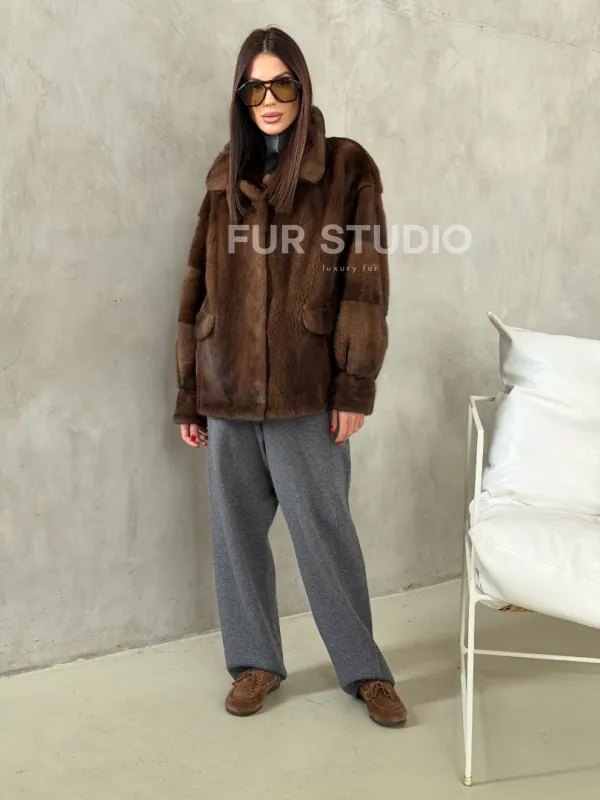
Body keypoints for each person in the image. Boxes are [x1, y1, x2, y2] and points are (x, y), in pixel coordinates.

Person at [173, 25, 407, 727]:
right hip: (226, 388)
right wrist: (190, 395)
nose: (269, 99)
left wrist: (354, 385)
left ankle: (365, 672)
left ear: (301, 89)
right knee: (235, 536)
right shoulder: (223, 178)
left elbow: (365, 283)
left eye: (281, 84)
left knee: (325, 532)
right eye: (255, 88)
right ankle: (254, 663)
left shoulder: (347, 168)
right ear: (241, 99)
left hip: (308, 390)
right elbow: (196, 287)